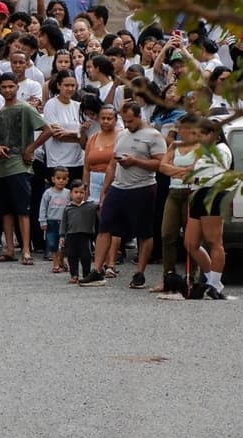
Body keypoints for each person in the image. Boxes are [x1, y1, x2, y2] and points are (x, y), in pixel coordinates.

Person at [79, 101, 167, 288]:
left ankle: (139, 272)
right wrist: (104, 190)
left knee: (143, 232)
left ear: (139, 117)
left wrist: (135, 161)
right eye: (125, 121)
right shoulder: (122, 135)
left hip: (142, 187)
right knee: (105, 227)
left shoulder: (154, 136)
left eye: (130, 121)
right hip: (118, 187)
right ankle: (96, 270)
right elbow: (112, 164)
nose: (127, 125)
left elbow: (161, 164)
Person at [0, 72, 52, 265]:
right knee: (4, 210)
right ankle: (9, 249)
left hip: (19, 165)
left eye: (11, 86)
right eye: (4, 87)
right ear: (0, 88)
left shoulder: (25, 108)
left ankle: (25, 250)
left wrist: (30, 149)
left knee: (22, 209)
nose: (7, 90)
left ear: (17, 87)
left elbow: (47, 130)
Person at [184, 118, 235, 300]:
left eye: (203, 134)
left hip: (214, 194)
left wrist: (196, 179)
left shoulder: (221, 150)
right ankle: (208, 278)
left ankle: (215, 283)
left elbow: (218, 177)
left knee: (214, 241)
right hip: (198, 194)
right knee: (191, 243)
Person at [154, 113, 200, 292]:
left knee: (191, 237)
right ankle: (168, 277)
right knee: (167, 234)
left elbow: (194, 171)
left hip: (190, 193)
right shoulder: (175, 145)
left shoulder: (200, 148)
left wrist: (174, 170)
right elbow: (162, 167)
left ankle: (192, 276)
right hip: (174, 192)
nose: (179, 131)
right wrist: (182, 171)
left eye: (182, 128)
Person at [59, 180, 98, 284]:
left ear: (86, 193)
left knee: (86, 256)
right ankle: (74, 275)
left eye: (81, 192)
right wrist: (62, 236)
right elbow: (63, 223)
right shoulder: (68, 208)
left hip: (85, 235)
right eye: (76, 192)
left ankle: (86, 274)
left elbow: (101, 207)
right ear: (71, 193)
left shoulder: (91, 206)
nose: (79, 195)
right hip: (71, 235)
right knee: (72, 256)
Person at [39, 167, 71, 271]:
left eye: (63, 178)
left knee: (64, 244)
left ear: (67, 180)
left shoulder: (68, 193)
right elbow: (43, 207)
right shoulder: (48, 193)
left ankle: (61, 260)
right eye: (58, 178)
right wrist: (42, 221)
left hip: (65, 223)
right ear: (53, 179)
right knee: (52, 243)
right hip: (51, 221)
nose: (61, 180)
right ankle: (55, 264)